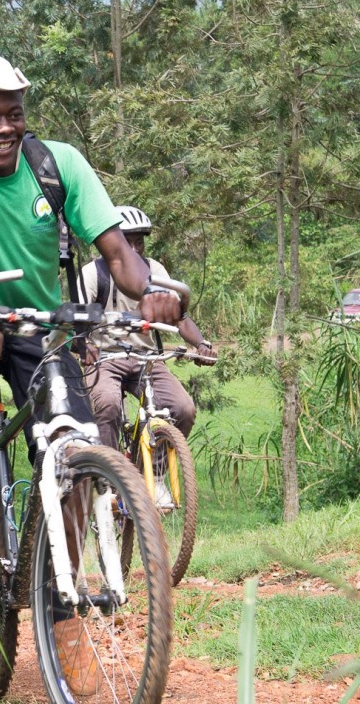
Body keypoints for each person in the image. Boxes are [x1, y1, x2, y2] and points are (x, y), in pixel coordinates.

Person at [0, 55, 183, 695]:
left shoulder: (59, 166)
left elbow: (119, 255)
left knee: (73, 443)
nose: (4, 127)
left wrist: (153, 291)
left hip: (44, 321)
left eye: (14, 113)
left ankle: (66, 617)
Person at [81, 205, 217, 507]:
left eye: (139, 241)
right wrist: (82, 345)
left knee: (182, 408)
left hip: (145, 358)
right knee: (106, 404)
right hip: (104, 358)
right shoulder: (93, 273)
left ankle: (151, 477)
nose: (133, 248)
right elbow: (77, 318)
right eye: (126, 240)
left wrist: (200, 345)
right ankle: (110, 482)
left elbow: (179, 317)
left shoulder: (154, 271)